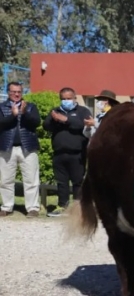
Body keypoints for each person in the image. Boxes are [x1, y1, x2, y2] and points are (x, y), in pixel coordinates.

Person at [43, 87, 94, 216]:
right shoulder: (55, 111)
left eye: (68, 98)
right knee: (61, 182)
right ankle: (62, 206)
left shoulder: (83, 111)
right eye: (63, 99)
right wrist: (54, 119)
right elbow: (46, 126)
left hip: (77, 154)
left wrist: (66, 120)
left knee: (78, 182)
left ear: (74, 98)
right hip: (59, 153)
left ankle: (77, 208)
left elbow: (83, 125)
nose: (66, 101)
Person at [0, 82, 41, 217]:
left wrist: (24, 114)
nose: (17, 94)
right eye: (13, 92)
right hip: (7, 147)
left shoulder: (30, 107)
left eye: (19, 92)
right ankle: (6, 206)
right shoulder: (2, 107)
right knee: (6, 180)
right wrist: (13, 115)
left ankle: (32, 208)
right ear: (8, 92)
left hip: (28, 147)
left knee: (31, 179)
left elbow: (36, 123)